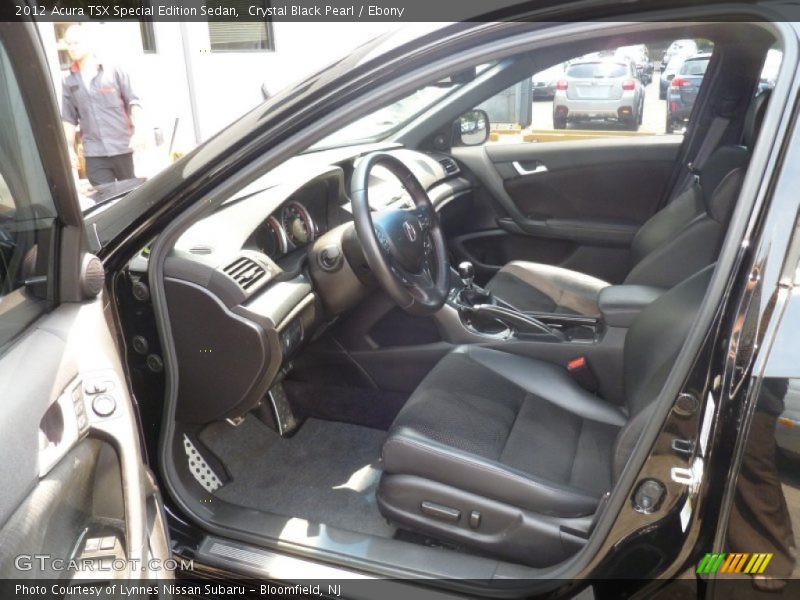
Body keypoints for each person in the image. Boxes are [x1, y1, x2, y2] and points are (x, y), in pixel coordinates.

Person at [60, 24, 146, 186]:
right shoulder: (69, 81)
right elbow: (69, 119)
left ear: (88, 42)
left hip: (123, 147)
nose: (71, 48)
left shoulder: (113, 71)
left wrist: (140, 131)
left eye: (76, 43)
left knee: (130, 194)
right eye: (68, 44)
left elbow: (133, 102)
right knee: (105, 197)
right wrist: (68, 148)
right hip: (94, 154)